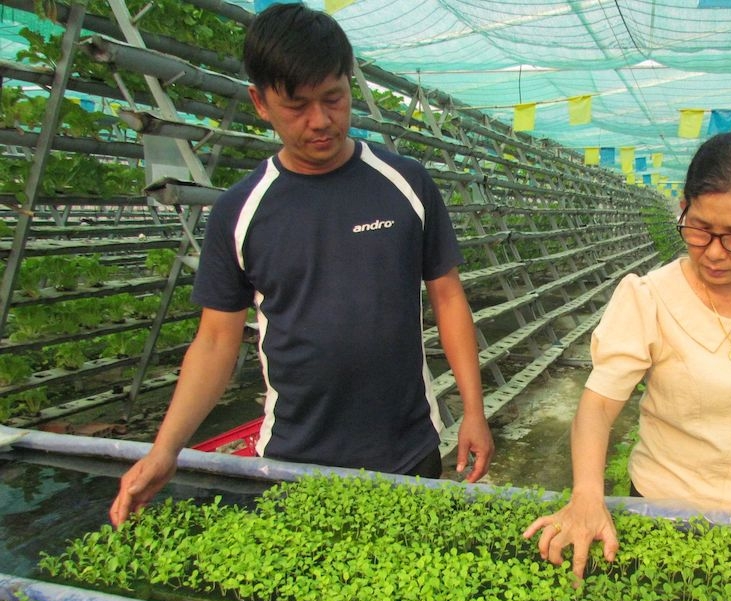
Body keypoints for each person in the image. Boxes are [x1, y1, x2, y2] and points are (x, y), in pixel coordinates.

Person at [110, 3, 493, 526]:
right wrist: (165, 449)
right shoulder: (240, 211)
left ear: (348, 86)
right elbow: (217, 341)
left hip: (406, 447)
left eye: (333, 98)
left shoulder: (405, 183)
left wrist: (474, 411)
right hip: (294, 457)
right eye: (296, 105)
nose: (320, 121)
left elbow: (447, 297)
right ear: (260, 102)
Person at [524, 131, 731, 579]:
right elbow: (597, 406)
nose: (713, 253)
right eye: (699, 228)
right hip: (662, 509)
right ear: (683, 208)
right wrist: (587, 496)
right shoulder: (650, 297)